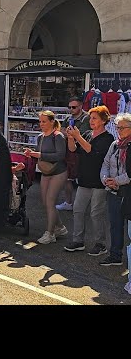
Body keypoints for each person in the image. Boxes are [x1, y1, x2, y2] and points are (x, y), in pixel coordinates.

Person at [63, 106, 114, 255]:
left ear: (104, 120)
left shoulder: (108, 138)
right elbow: (73, 149)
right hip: (84, 179)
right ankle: (78, 241)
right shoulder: (86, 134)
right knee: (78, 210)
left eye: (95, 118)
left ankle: (101, 243)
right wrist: (71, 138)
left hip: (99, 181)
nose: (91, 121)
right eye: (90, 118)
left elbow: (92, 151)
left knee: (96, 213)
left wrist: (78, 137)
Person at [24, 110, 68, 244]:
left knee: (50, 201)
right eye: (40, 121)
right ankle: (60, 227)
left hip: (58, 172)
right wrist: (31, 154)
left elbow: (60, 156)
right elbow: (40, 153)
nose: (41, 124)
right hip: (45, 172)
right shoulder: (40, 137)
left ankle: (50, 233)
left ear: (51, 122)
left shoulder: (58, 136)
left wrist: (39, 155)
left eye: (44, 121)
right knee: (46, 202)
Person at [98, 112, 131, 266]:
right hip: (113, 190)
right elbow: (105, 163)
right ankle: (115, 255)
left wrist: (117, 181)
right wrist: (106, 180)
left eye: (123, 128)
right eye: (118, 128)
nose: (119, 130)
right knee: (115, 224)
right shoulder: (115, 144)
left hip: (127, 191)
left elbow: (130, 173)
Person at [56, 97, 91, 211]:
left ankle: (83, 205)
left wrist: (71, 133)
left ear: (80, 106)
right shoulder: (68, 118)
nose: (71, 109)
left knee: (82, 178)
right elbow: (61, 131)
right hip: (69, 150)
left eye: (74, 107)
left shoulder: (86, 118)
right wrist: (70, 133)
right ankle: (68, 202)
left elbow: (81, 134)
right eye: (69, 107)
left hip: (82, 151)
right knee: (67, 177)